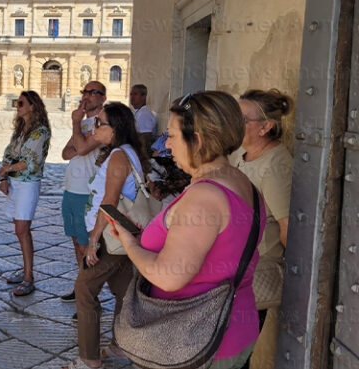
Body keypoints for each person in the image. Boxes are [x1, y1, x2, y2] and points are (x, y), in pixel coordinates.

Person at [108, 91, 265, 369]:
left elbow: (168, 278)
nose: (167, 145)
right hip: (231, 329)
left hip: (195, 341)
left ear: (199, 139)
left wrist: (131, 244)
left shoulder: (205, 197)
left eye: (172, 135)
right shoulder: (242, 182)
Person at [64, 102, 146, 369]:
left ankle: (89, 359)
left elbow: (109, 203)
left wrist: (93, 242)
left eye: (100, 123)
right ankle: (122, 346)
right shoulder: (122, 153)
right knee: (123, 290)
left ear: (115, 129)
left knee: (85, 289)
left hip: (111, 235)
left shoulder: (120, 156)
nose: (94, 126)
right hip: (121, 235)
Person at [231, 89, 293, 369]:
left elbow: (287, 226)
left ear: (265, 127)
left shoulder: (276, 165)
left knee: (235, 358)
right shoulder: (241, 156)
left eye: (242, 119)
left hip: (253, 275)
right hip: (231, 270)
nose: (234, 123)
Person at [0, 90, 51, 297]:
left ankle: (29, 277)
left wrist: (7, 170)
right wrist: (4, 177)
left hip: (28, 185)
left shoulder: (41, 132)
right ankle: (25, 270)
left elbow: (30, 163)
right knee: (19, 230)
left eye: (21, 103)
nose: (17, 106)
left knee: (22, 229)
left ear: (33, 107)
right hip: (14, 183)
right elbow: (8, 154)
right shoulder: (21, 130)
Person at [59, 81, 106, 303]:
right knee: (76, 242)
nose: (86, 96)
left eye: (92, 92)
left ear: (103, 97)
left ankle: (89, 297)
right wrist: (79, 130)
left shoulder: (102, 123)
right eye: (84, 91)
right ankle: (81, 286)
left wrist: (75, 124)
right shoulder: (85, 123)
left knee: (86, 245)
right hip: (71, 189)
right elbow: (65, 153)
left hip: (87, 190)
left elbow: (84, 148)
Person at [129, 84, 157, 154]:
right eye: (131, 94)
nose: (132, 97)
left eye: (135, 94)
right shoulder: (135, 112)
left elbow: (145, 140)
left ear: (144, 97)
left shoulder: (144, 114)